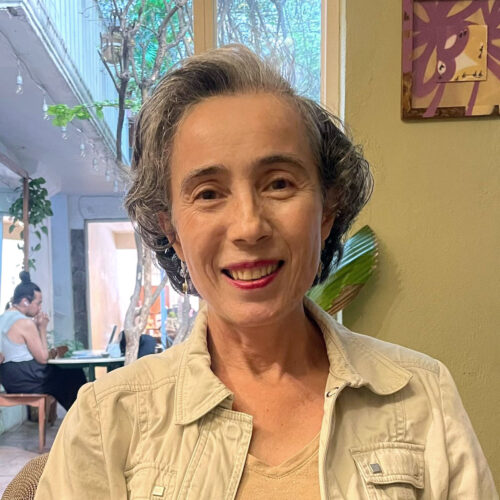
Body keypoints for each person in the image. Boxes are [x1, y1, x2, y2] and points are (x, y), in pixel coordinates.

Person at [35, 45, 497, 499]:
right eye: (209, 193)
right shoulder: (106, 422)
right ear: (171, 230)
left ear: (327, 210)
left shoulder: (421, 396)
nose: (249, 226)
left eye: (279, 183)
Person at [0, 272, 86, 411]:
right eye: (38, 303)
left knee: (64, 376)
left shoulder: (3, 318)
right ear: (25, 302)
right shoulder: (24, 322)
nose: (40, 308)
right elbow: (43, 358)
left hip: (9, 379)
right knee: (73, 373)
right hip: (26, 377)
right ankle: (81, 415)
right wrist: (42, 328)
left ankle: (77, 414)